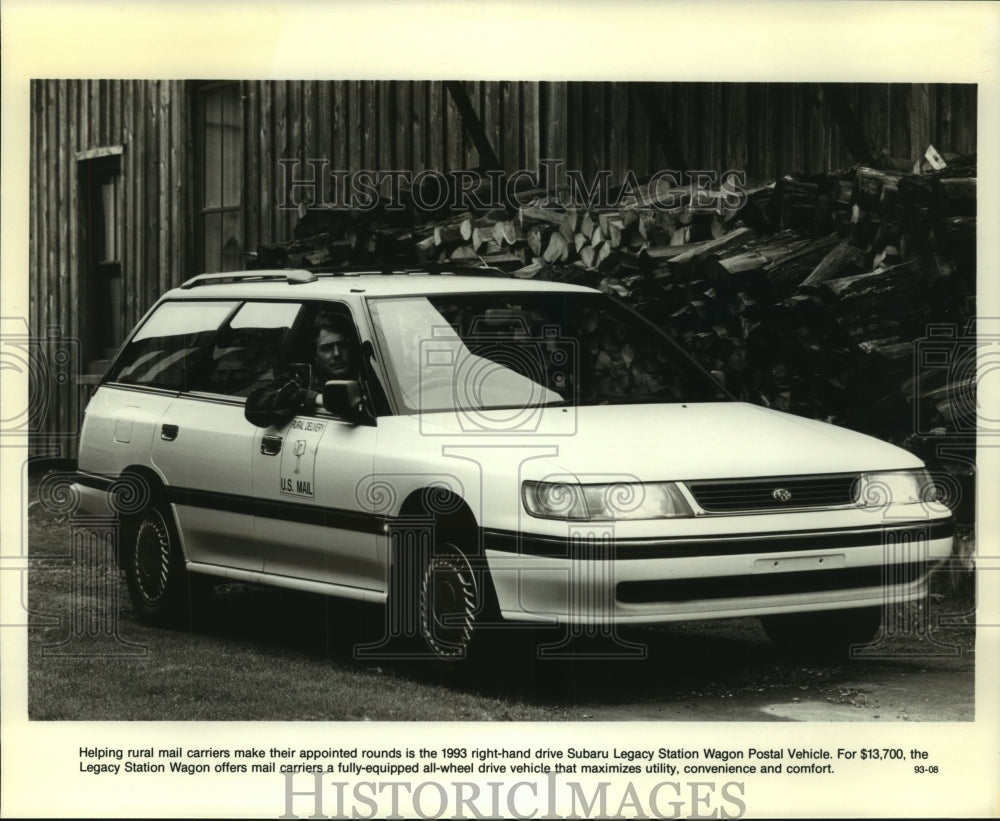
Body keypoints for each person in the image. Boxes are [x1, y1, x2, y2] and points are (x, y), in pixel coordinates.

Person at [244, 313, 357, 427]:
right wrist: (314, 398)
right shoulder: (302, 375)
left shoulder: (370, 373)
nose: (337, 354)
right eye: (327, 348)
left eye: (343, 345)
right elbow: (254, 405)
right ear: (315, 356)